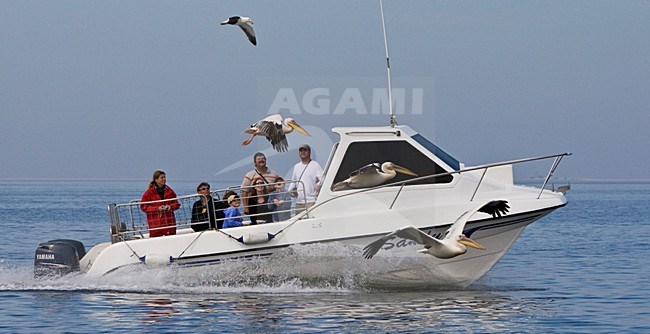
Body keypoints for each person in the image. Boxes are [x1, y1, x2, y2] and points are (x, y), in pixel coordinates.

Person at [140, 170, 180, 237]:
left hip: (169, 223)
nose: (164, 179)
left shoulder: (170, 191)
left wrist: (170, 207)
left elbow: (176, 204)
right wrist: (157, 208)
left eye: (164, 177)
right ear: (156, 179)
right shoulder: (149, 192)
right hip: (156, 224)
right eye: (162, 177)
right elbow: (144, 207)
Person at [241, 152, 279, 217]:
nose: (261, 160)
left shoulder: (274, 173)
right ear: (255, 162)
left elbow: (279, 187)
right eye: (258, 159)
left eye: (263, 158)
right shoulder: (249, 175)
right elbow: (244, 192)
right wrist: (246, 207)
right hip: (256, 204)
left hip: (271, 203)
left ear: (266, 161)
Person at [288, 144, 323, 213]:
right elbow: (294, 181)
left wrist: (318, 184)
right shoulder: (296, 166)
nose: (302, 152)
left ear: (309, 152)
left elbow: (323, 177)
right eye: (301, 150)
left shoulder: (315, 165)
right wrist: (290, 190)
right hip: (299, 202)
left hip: (311, 201)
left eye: (305, 150)